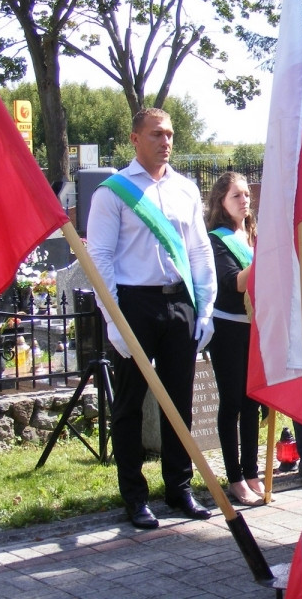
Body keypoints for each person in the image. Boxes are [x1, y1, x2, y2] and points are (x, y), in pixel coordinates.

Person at [86, 107, 217, 530]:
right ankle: (134, 496)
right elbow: (101, 258)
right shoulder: (113, 192)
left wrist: (206, 306)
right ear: (135, 139)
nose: (166, 142)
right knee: (128, 404)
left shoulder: (185, 189)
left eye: (171, 134)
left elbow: (198, 250)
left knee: (179, 401)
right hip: (134, 304)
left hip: (179, 302)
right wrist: (113, 318)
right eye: (157, 134)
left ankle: (179, 489)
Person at [205, 172, 264, 507]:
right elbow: (234, 283)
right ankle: (235, 478)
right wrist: (265, 256)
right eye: (236, 196)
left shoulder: (253, 235)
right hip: (228, 327)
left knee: (252, 401)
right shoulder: (217, 240)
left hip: (254, 326)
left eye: (246, 195)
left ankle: (252, 471)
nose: (244, 201)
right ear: (221, 202)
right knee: (232, 402)